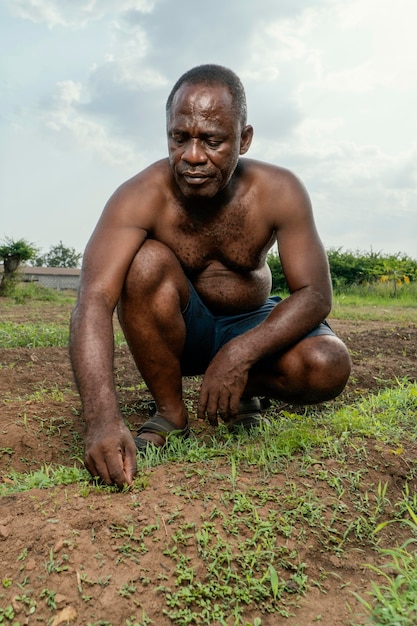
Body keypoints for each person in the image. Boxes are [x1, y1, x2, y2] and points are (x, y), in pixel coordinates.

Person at [70, 64, 351, 488]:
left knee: (328, 364)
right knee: (143, 263)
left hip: (254, 322)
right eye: (179, 138)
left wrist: (241, 353)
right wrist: (101, 419)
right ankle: (170, 412)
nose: (193, 156)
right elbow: (92, 299)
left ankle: (241, 390)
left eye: (213, 140)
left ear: (244, 138)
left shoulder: (279, 189)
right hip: (185, 332)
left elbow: (314, 294)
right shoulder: (140, 196)